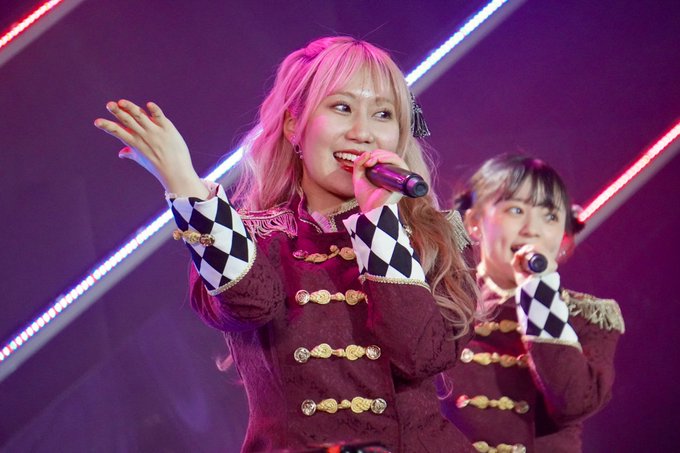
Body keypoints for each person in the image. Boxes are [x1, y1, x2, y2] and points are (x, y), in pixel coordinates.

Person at [95, 36, 479, 452]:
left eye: (383, 114)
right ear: (295, 125)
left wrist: (379, 221)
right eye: (342, 107)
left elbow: (422, 356)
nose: (363, 133)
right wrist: (185, 184)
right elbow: (247, 304)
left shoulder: (435, 236)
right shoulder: (252, 236)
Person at [437, 154, 625, 453]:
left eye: (550, 216)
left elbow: (575, 402)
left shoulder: (587, 317)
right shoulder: (442, 307)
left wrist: (538, 292)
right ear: (474, 223)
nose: (532, 229)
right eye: (515, 210)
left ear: (562, 237)